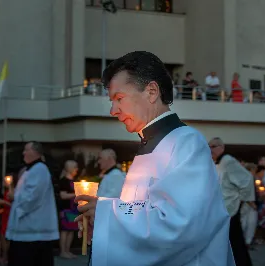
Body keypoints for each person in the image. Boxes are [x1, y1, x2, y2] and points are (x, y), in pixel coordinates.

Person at [75, 51, 235, 266]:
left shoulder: (186, 143)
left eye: (119, 98)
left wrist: (106, 215)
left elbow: (180, 225)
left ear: (151, 91)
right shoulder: (149, 145)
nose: (113, 110)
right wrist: (101, 219)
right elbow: (144, 209)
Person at [6, 141, 59, 266]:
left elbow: (33, 197)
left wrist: (15, 196)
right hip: (28, 230)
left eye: (26, 150)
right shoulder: (31, 170)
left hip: (33, 230)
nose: (23, 153)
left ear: (36, 152)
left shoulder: (40, 169)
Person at [209, 137, 254, 266]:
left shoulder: (228, 161)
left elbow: (247, 179)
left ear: (222, 148)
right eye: (209, 146)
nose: (211, 149)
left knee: (234, 242)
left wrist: (241, 199)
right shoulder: (216, 163)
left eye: (214, 146)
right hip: (220, 208)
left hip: (230, 208)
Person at [58, 160, 79, 259]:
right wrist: (76, 194)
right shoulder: (63, 181)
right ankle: (63, 251)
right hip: (66, 209)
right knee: (65, 230)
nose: (77, 170)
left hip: (74, 209)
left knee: (71, 230)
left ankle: (68, 250)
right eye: (75, 167)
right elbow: (63, 195)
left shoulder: (75, 181)